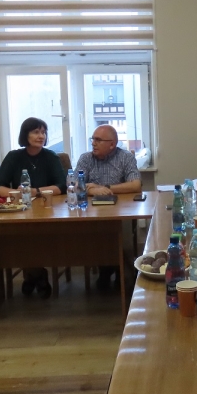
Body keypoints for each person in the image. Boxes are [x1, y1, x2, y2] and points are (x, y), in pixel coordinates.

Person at [0, 117, 67, 298]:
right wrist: (15, 193)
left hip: (48, 211)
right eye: (36, 132)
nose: (41, 136)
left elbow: (62, 186)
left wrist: (35, 191)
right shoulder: (14, 157)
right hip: (21, 211)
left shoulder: (51, 157)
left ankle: (33, 275)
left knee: (36, 234)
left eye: (43, 132)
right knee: (23, 234)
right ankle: (37, 274)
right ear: (26, 135)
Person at [74, 124, 142, 290]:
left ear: (112, 144)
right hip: (92, 211)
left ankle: (122, 270)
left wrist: (105, 188)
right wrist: (93, 190)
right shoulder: (86, 158)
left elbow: (135, 185)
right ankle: (106, 267)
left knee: (121, 232)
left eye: (98, 140)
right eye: (93, 139)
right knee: (94, 231)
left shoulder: (125, 157)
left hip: (121, 209)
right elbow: (74, 185)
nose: (93, 143)